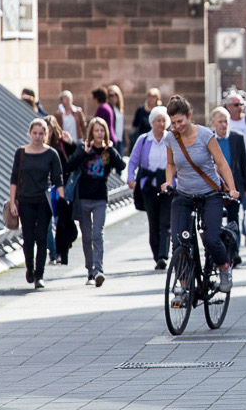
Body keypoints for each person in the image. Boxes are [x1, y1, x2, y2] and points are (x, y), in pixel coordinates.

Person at [163, 95, 241, 296]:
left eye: (180, 121)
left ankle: (224, 268)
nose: (177, 126)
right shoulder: (171, 138)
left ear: (189, 116)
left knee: (211, 238)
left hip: (209, 194)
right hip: (184, 194)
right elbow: (171, 163)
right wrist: (168, 181)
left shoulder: (205, 136)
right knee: (178, 241)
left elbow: (222, 164)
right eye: (173, 122)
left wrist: (231, 188)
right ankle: (183, 285)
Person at [66, 118, 126, 287]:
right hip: (83, 198)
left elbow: (121, 166)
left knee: (97, 234)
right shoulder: (84, 148)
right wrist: (84, 153)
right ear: (91, 132)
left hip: (100, 198)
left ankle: (99, 270)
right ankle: (90, 270)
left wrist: (111, 150)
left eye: (102, 131)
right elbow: (69, 166)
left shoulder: (108, 151)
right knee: (86, 237)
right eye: (97, 131)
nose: (99, 134)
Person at [9, 119, 65, 289]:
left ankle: (39, 275)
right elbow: (13, 180)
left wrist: (62, 202)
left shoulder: (51, 154)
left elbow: (58, 179)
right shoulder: (21, 153)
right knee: (28, 239)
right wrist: (12, 202)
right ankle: (30, 268)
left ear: (46, 135)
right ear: (29, 133)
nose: (38, 137)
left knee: (42, 238)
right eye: (35, 133)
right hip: (25, 200)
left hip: (44, 201)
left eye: (41, 134)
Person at [127, 105, 172, 270]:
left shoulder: (171, 139)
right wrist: (130, 178)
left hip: (166, 185)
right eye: (158, 121)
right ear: (152, 123)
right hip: (149, 186)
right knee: (153, 222)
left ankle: (163, 255)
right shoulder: (144, 140)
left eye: (163, 121)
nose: (161, 124)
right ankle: (156, 255)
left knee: (165, 222)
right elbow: (133, 160)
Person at [211, 106, 246, 259]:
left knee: (234, 218)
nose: (223, 125)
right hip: (214, 187)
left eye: (226, 122)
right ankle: (218, 251)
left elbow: (245, 163)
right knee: (214, 220)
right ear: (213, 123)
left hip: (233, 186)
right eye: (220, 122)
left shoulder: (237, 138)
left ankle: (234, 252)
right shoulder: (209, 139)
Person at [43, 115, 77, 265]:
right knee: (49, 222)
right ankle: (54, 252)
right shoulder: (39, 147)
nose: (47, 133)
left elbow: (73, 155)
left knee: (59, 220)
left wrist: (70, 142)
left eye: (50, 130)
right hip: (46, 187)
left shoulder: (60, 145)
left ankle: (60, 249)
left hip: (59, 187)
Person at [107, 85, 127, 155]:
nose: (114, 97)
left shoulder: (119, 109)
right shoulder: (109, 109)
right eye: (111, 95)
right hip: (113, 140)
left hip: (120, 140)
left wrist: (125, 142)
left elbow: (121, 126)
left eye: (115, 95)